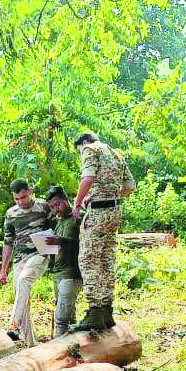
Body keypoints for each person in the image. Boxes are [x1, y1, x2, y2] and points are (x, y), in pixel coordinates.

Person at [71, 131, 135, 332]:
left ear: (82, 144)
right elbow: (130, 185)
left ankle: (95, 310)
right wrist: (111, 193)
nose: (81, 154)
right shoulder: (116, 154)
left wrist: (78, 202)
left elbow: (88, 177)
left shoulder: (90, 149)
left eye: (79, 151)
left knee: (89, 259)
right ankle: (107, 309)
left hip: (98, 212)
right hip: (115, 211)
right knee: (106, 258)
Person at [0, 179, 52, 344]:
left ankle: (13, 325)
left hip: (40, 254)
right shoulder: (11, 214)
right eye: (17, 199)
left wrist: (54, 255)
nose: (20, 202)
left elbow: (57, 229)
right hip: (19, 259)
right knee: (21, 298)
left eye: (23, 197)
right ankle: (31, 344)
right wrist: (3, 270)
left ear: (30, 191)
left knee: (23, 280)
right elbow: (8, 243)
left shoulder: (44, 207)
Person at [44, 186, 82, 336]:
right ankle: (73, 350)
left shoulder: (79, 217)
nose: (55, 209)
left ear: (66, 200)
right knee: (69, 316)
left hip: (72, 273)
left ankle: (56, 350)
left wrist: (62, 241)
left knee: (62, 318)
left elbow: (87, 244)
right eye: (52, 207)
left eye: (58, 204)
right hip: (58, 273)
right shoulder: (58, 221)